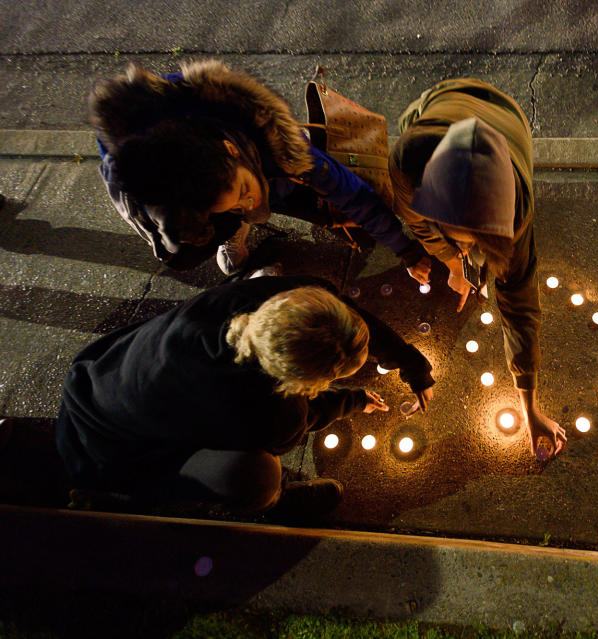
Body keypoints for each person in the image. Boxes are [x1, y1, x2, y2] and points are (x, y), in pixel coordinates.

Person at [55, 275, 434, 519]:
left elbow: (343, 322)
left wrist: (409, 363)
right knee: (253, 474)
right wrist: (352, 401)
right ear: (301, 382)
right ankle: (275, 502)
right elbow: (301, 422)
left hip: (100, 374)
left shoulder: (266, 295)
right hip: (108, 447)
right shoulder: (263, 412)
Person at [89, 59, 426, 275]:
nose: (248, 204)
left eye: (243, 191)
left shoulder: (275, 143)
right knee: (185, 255)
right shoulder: (140, 168)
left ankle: (244, 212)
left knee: (333, 211)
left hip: (268, 172)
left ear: (231, 149)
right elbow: (155, 228)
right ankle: (231, 231)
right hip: (197, 194)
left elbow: (349, 192)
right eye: (236, 204)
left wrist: (407, 250)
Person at [389, 78, 566, 461]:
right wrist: (454, 261)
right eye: (464, 239)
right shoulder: (406, 165)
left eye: (478, 242)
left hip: (507, 122)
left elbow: (519, 307)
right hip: (438, 102)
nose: (470, 249)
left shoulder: (516, 215)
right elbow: (421, 226)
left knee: (500, 270)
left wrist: (529, 406)